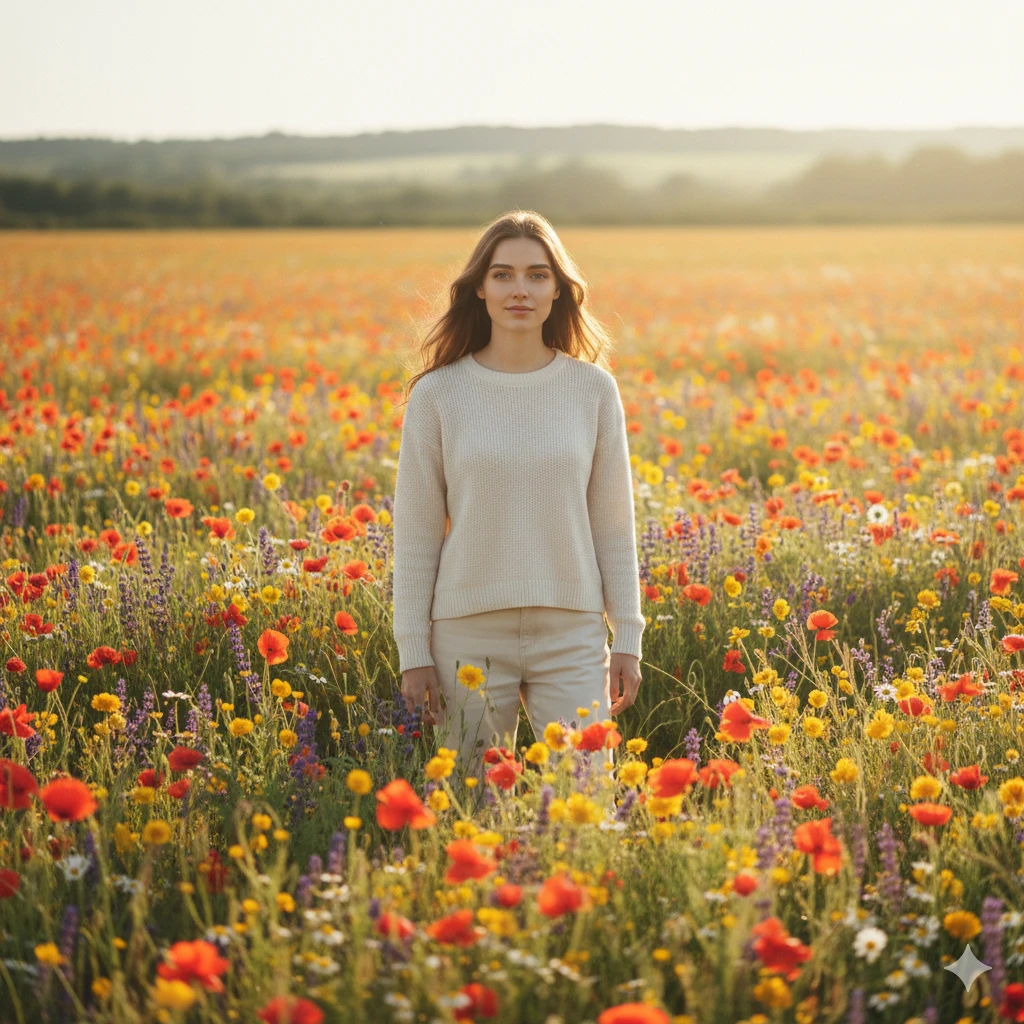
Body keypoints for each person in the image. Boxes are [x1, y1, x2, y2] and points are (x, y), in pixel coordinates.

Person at [391, 210, 645, 780]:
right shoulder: (437, 395)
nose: (519, 290)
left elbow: (613, 525)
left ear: (558, 289)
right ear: (478, 288)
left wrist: (626, 634)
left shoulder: (593, 391)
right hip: (466, 633)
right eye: (503, 275)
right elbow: (416, 533)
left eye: (536, 275)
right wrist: (414, 651)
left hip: (572, 632)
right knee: (472, 808)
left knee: (589, 796)